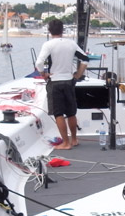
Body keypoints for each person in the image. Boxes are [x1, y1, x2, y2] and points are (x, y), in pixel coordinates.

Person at [35, 19, 89, 150]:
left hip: (55, 82)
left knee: (58, 113)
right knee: (71, 112)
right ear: (62, 30)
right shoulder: (71, 44)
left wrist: (43, 74)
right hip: (69, 81)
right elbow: (85, 59)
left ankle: (65, 143)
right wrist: (78, 74)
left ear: (49, 31)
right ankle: (74, 139)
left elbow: (39, 63)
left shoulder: (48, 45)